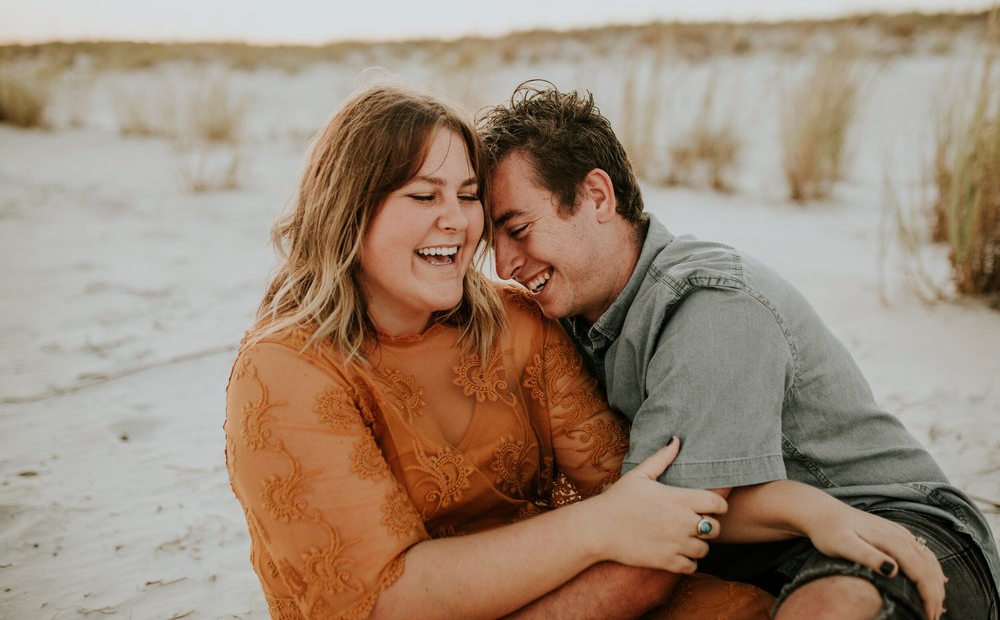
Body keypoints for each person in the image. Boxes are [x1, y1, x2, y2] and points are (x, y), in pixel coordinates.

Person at [224, 84, 933, 619]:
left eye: (470, 196)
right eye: (423, 193)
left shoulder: (522, 322)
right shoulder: (287, 368)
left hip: (630, 582)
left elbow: (649, 509)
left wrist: (806, 507)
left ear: (596, 196)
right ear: (349, 209)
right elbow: (384, 594)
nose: (463, 226)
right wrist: (600, 526)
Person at [477, 81, 1000, 619]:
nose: (504, 264)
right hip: (751, 549)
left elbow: (656, 540)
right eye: (492, 244)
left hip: (884, 524)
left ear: (597, 196)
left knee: (831, 609)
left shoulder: (709, 307)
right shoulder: (568, 317)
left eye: (518, 229)